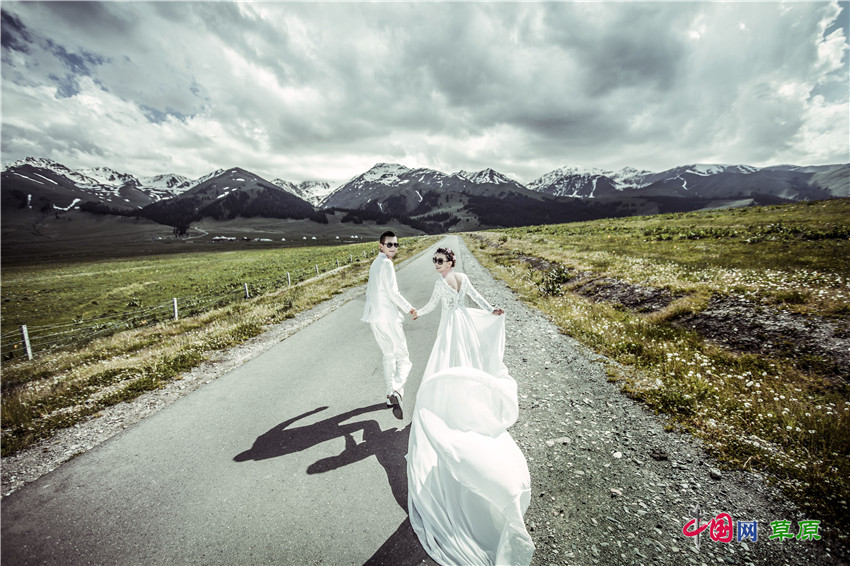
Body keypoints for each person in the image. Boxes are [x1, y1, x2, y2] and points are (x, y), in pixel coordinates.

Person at [407, 246, 535, 566]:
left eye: (440, 261)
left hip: (455, 329)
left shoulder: (454, 280)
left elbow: (469, 299)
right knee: (459, 366)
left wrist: (493, 310)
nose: (436, 265)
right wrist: (417, 313)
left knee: (454, 366)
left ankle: (455, 406)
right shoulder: (453, 279)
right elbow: (447, 304)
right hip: (458, 327)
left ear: (451, 262)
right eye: (433, 261)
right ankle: (459, 401)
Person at [361, 231, 417, 420]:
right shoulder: (386, 264)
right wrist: (410, 309)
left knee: (388, 356)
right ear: (381, 245)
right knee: (404, 358)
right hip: (389, 317)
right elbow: (393, 293)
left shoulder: (375, 263)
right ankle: (396, 391)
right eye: (389, 244)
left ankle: (388, 395)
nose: (393, 248)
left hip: (374, 317)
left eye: (396, 245)